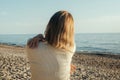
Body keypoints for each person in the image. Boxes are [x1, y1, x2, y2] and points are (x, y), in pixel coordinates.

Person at [26, 10, 76, 80]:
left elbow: (50, 53)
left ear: (49, 26)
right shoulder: (71, 48)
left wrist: (39, 36)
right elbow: (56, 54)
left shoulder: (31, 46)